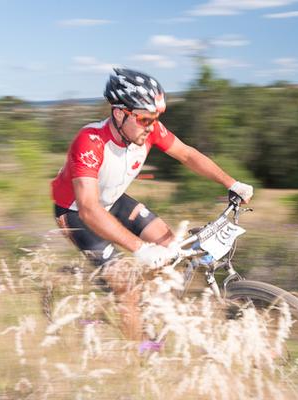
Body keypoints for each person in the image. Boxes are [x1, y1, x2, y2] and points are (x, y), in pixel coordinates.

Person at [51, 67, 254, 339]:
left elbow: (187, 155)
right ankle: (140, 357)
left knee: (170, 246)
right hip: (77, 213)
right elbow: (89, 209)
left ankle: (132, 307)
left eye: (156, 118)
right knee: (128, 287)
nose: (152, 126)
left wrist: (232, 183)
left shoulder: (149, 129)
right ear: (120, 113)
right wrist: (138, 248)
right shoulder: (90, 142)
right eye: (145, 119)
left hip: (112, 201)